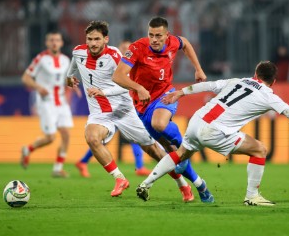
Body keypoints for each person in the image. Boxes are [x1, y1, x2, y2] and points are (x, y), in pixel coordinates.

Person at [136, 61, 289, 206]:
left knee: (180, 154)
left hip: (197, 121)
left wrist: (181, 92)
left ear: (255, 74)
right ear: (274, 82)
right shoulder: (268, 95)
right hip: (216, 131)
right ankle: (252, 196)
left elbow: (208, 85)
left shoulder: (237, 81)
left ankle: (146, 183)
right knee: (260, 149)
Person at [66, 20, 193, 199]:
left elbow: (128, 85)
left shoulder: (115, 55)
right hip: (100, 113)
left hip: (125, 110)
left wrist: (104, 92)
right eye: (89, 39)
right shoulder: (78, 52)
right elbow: (72, 68)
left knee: (154, 151)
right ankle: (119, 178)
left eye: (97, 39)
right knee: (91, 137)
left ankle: (182, 184)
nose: (93, 43)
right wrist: (69, 78)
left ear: (106, 39)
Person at [112, 16, 214, 203]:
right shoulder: (136, 48)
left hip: (166, 95)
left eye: (159, 35)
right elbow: (117, 76)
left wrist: (198, 69)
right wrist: (139, 88)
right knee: (172, 156)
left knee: (159, 124)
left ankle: (186, 145)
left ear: (167, 35)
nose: (154, 39)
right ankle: (201, 186)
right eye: (151, 35)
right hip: (142, 106)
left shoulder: (173, 42)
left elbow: (186, 43)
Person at [75, 40, 151, 178]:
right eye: (123, 48)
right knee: (131, 136)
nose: (125, 52)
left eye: (128, 49)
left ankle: (83, 161)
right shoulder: (113, 65)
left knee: (106, 140)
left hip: (124, 105)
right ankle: (139, 166)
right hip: (113, 107)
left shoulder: (132, 67)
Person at [21, 31, 79, 178]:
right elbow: (26, 77)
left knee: (66, 134)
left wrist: (72, 85)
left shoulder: (66, 60)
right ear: (47, 43)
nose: (54, 42)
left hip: (61, 101)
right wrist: (38, 87)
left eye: (57, 40)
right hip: (46, 103)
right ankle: (28, 150)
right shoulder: (41, 59)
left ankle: (58, 168)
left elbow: (66, 79)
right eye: (51, 40)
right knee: (50, 137)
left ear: (61, 43)